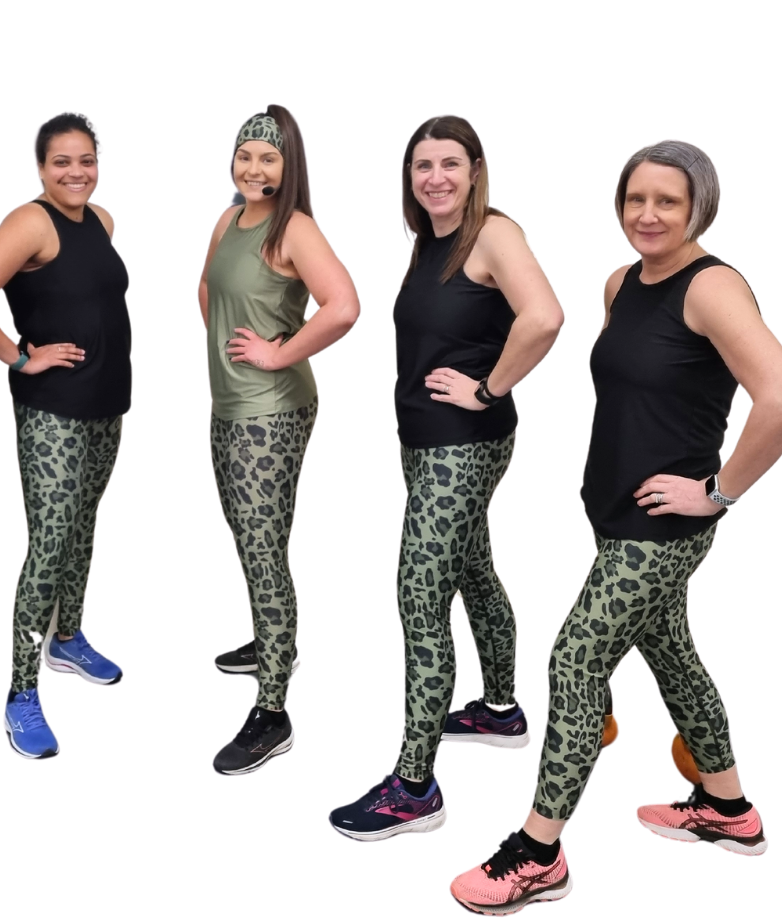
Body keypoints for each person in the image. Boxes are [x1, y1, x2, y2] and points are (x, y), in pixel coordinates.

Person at [449, 141, 782, 913]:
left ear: (699, 207)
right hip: (613, 516)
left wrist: (717, 492)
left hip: (664, 531)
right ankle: (727, 809)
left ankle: (538, 852)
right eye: (634, 198)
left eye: (667, 202)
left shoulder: (712, 288)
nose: (647, 214)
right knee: (673, 653)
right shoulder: (622, 283)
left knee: (576, 659)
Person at [329, 116, 564, 839]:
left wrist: (488, 389)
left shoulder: (493, 232)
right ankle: (499, 711)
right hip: (429, 444)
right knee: (472, 570)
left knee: (419, 593)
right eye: (422, 165)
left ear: (475, 170)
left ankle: (413, 785)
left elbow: (546, 317)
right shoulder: (434, 242)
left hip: (463, 443)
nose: (434, 177)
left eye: (449, 164)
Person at [0, 113, 130, 759]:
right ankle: (21, 691)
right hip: (52, 409)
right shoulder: (30, 222)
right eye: (61, 163)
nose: (76, 172)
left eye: (86, 160)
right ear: (40, 168)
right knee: (49, 543)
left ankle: (68, 637)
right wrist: (20, 357)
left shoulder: (100, 220)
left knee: (82, 524)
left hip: (108, 401)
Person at [201, 105, 360, 774]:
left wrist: (278, 352)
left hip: (271, 410)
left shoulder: (295, 227)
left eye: (268, 158)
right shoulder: (230, 217)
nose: (254, 168)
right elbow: (207, 291)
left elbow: (344, 305)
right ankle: (274, 640)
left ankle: (273, 709)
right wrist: (232, 342)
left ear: (289, 166)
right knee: (249, 535)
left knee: (264, 548)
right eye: (246, 155)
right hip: (230, 403)